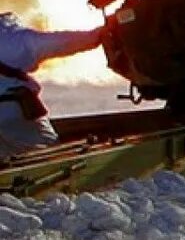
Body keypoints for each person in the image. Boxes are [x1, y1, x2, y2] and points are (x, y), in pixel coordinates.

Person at [0, 14, 106, 158]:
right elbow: (60, 43)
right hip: (13, 111)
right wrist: (96, 36)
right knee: (46, 154)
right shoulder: (13, 37)